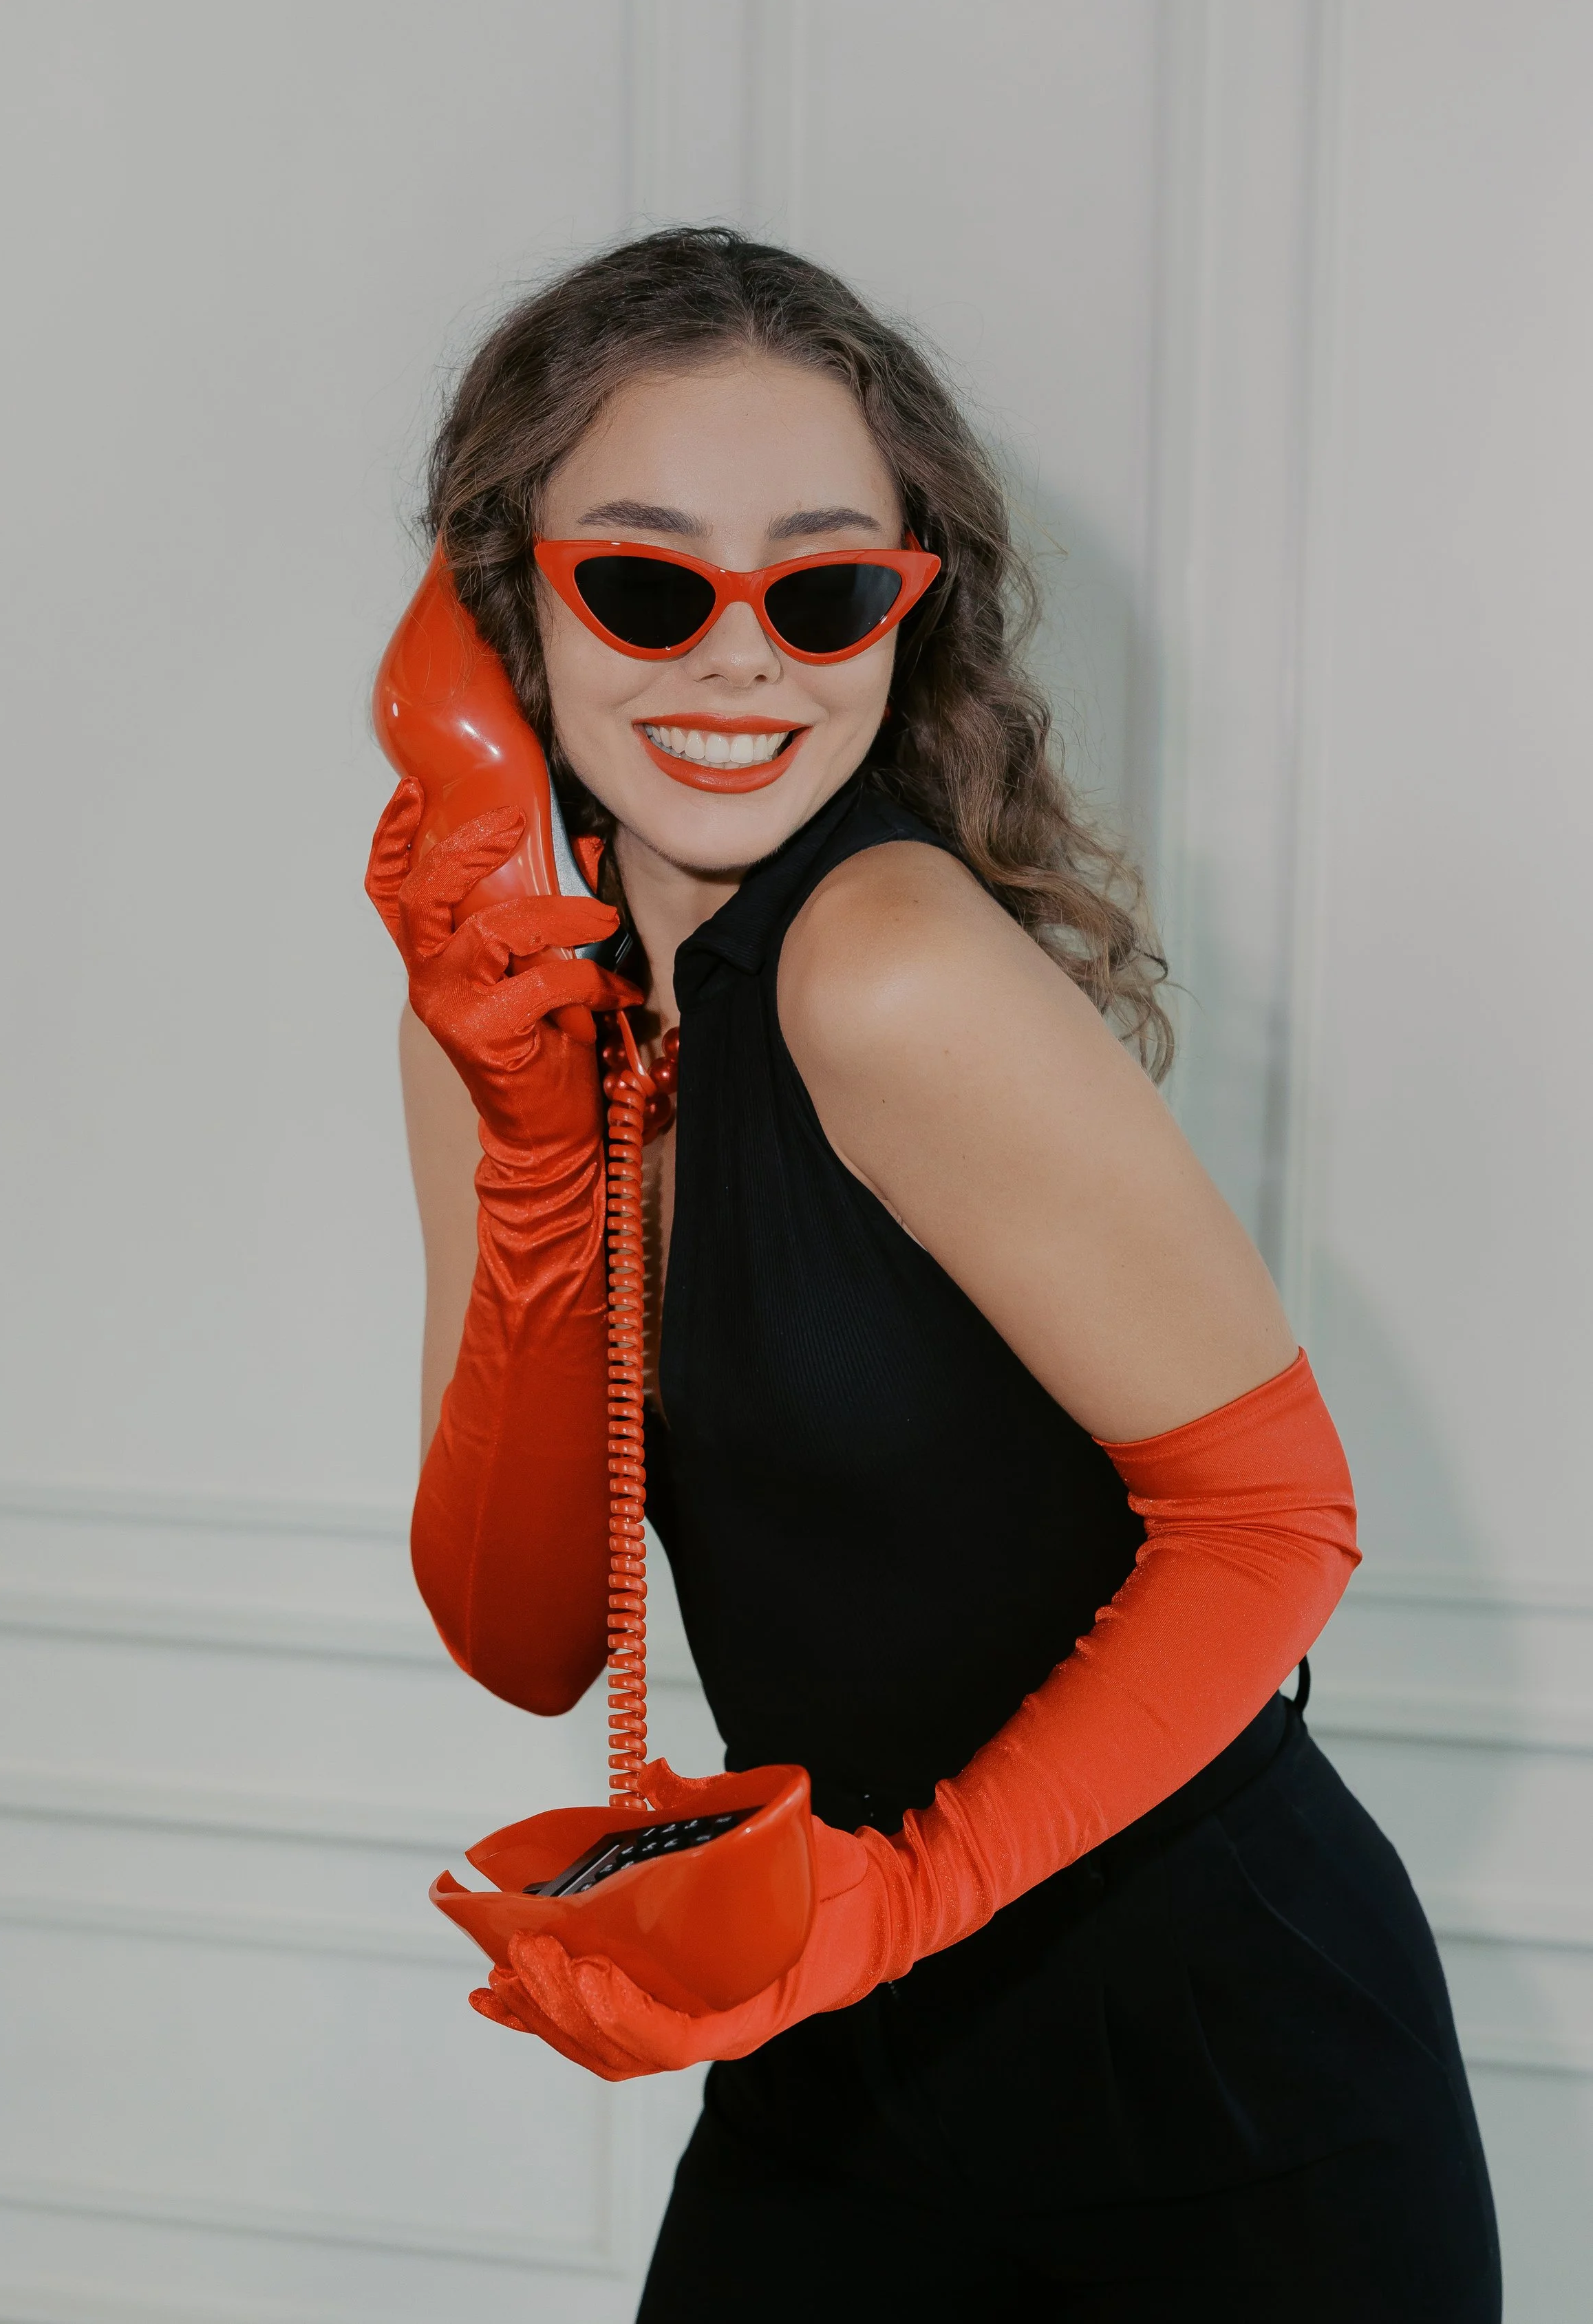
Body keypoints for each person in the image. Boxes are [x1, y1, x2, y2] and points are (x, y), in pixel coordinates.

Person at [366, 229, 1498, 2320]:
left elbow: (1272, 1521)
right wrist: (535, 1152)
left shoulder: (885, 968)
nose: (741, 664)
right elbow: (523, 1636)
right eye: (642, 584)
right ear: (498, 613)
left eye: (819, 593)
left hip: (1208, 2077)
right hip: (840, 2047)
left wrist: (898, 1905)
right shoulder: (507, 1022)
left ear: (907, 613)